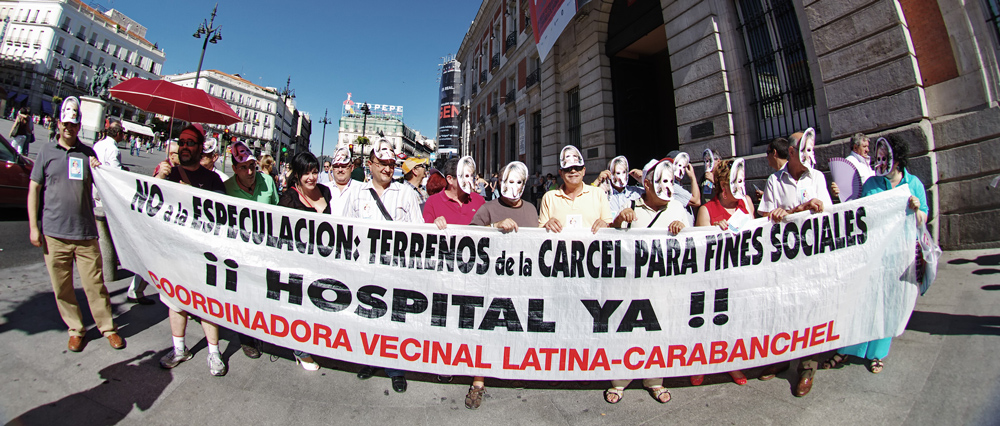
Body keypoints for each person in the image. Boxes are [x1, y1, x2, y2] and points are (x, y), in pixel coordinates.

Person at [821, 135, 927, 374]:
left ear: (897, 160)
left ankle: (878, 353)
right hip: (873, 255)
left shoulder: (914, 185)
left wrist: (917, 208)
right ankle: (849, 348)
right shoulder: (872, 184)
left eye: (884, 158)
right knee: (863, 300)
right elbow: (858, 215)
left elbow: (923, 220)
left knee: (889, 302)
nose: (879, 162)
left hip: (900, 255)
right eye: (877, 158)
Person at [26, 96, 125, 353]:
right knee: (62, 287)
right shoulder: (46, 152)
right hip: (54, 233)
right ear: (59, 123)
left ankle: (108, 328)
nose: (69, 128)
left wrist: (99, 168)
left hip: (84, 233)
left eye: (74, 124)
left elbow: (106, 184)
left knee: (95, 285)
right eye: (66, 124)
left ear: (79, 126)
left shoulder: (87, 153)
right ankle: (76, 329)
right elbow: (34, 188)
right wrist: (34, 227)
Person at [604, 159, 691, 404]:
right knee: (627, 330)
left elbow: (694, 242)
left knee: (659, 331)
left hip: (664, 285)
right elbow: (612, 239)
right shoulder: (632, 205)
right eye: (663, 181)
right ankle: (620, 381)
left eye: (671, 181)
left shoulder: (677, 208)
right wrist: (621, 219)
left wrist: (681, 228)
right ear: (648, 185)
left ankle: (655, 380)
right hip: (633, 285)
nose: (668, 186)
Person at [756, 128, 833, 397]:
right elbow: (763, 216)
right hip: (785, 260)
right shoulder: (775, 181)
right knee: (784, 307)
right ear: (791, 152)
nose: (811, 155)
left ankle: (807, 369)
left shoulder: (818, 178)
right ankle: (781, 358)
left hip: (812, 258)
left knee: (811, 309)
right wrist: (783, 213)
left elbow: (830, 214)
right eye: (806, 150)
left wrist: (818, 207)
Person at [343, 140, 422, 393]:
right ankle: (370, 360)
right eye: (383, 164)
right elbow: (345, 230)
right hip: (366, 271)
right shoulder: (357, 193)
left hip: (397, 272)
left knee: (395, 321)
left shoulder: (406, 193)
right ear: (370, 165)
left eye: (391, 164)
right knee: (370, 317)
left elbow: (419, 232)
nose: (388, 169)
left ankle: (396, 368)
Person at [153, 124, 228, 376]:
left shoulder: (213, 180)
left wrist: (193, 194)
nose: (184, 147)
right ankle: (179, 348)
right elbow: (146, 204)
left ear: (199, 148)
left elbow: (221, 215)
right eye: (181, 143)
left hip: (203, 254)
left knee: (207, 303)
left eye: (190, 143)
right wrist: (159, 178)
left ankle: (214, 352)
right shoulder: (168, 173)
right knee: (176, 301)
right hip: (173, 250)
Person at [463, 161, 538, 409]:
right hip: (491, 283)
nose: (512, 186)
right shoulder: (488, 207)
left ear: (524, 185)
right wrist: (494, 227)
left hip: (521, 281)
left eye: (517, 182)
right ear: (499, 182)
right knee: (486, 332)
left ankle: (514, 370)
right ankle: (478, 381)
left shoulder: (531, 210)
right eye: (507, 181)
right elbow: (470, 236)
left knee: (517, 327)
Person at [691, 158, 752, 387]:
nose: (741, 186)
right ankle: (701, 364)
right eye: (736, 182)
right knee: (708, 322)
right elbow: (697, 248)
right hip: (713, 280)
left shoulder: (746, 203)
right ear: (723, 186)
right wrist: (715, 231)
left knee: (734, 321)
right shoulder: (707, 210)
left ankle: (733, 364)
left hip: (739, 275)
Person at [221, 141, 278, 359]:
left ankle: (264, 328)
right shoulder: (226, 190)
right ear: (234, 168)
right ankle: (246, 338)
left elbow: (277, 210)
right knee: (243, 295)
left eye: (252, 166)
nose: (250, 171)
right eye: (243, 167)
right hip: (240, 254)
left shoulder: (267, 181)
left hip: (265, 250)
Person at [275, 151, 330, 371]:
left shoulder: (325, 191)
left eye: (315, 171)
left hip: (323, 259)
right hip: (298, 262)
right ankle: (300, 350)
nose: (311, 177)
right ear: (297, 174)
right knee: (300, 305)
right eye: (306, 172)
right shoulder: (289, 198)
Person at [538, 145, 612, 234]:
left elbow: (610, 227)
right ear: (561, 173)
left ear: (583, 171)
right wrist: (546, 225)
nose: (573, 171)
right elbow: (540, 234)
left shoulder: (599, 194)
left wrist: (605, 225)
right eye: (568, 168)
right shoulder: (549, 197)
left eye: (577, 168)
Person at [424, 156, 486, 229]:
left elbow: (489, 227)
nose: (470, 180)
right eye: (465, 176)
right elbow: (426, 231)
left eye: (472, 176)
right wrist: (435, 224)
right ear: (450, 179)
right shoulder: (432, 202)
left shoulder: (478, 200)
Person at [830, 132, 874, 201]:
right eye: (864, 147)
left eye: (867, 146)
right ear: (855, 147)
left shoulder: (865, 161)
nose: (867, 150)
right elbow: (840, 190)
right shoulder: (849, 163)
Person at [322, 147, 361, 215]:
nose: (340, 170)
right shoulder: (323, 189)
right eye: (336, 166)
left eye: (343, 166)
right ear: (332, 168)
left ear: (351, 168)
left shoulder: (361, 189)